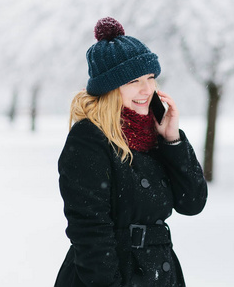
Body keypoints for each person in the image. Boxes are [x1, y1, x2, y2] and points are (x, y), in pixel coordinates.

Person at [54, 17, 208, 287]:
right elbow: (89, 231)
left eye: (150, 78)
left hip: (160, 273)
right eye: (134, 80)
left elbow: (192, 202)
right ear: (111, 88)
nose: (147, 89)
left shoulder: (154, 135)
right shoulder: (89, 139)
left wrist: (172, 140)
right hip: (111, 276)